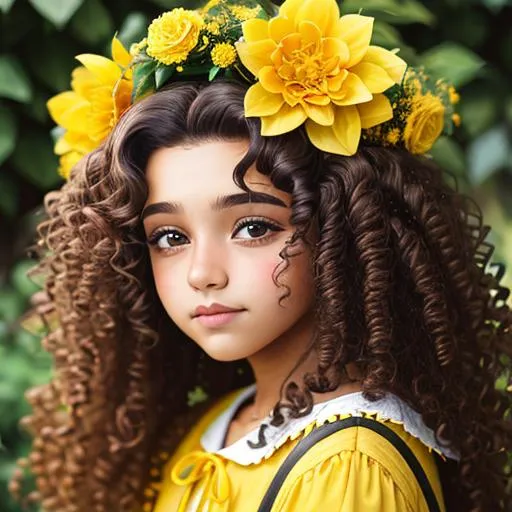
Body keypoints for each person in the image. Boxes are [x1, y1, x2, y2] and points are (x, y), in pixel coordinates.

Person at [10, 0, 512, 510]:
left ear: (343, 232)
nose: (203, 274)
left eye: (253, 227)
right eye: (170, 237)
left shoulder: (350, 465)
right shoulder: (217, 427)